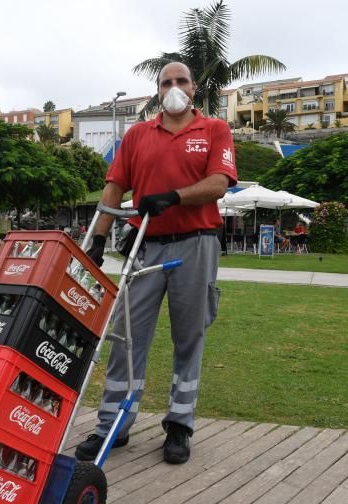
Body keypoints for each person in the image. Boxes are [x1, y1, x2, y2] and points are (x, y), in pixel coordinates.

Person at [75, 62, 236, 465]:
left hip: (196, 244)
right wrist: (97, 238)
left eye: (181, 81)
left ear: (193, 88)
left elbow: (219, 183)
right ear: (157, 91)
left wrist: (173, 197)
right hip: (145, 246)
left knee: (189, 336)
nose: (174, 88)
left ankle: (180, 425)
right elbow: (114, 186)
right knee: (126, 334)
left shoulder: (214, 130)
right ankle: (113, 424)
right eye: (166, 82)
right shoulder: (137, 135)